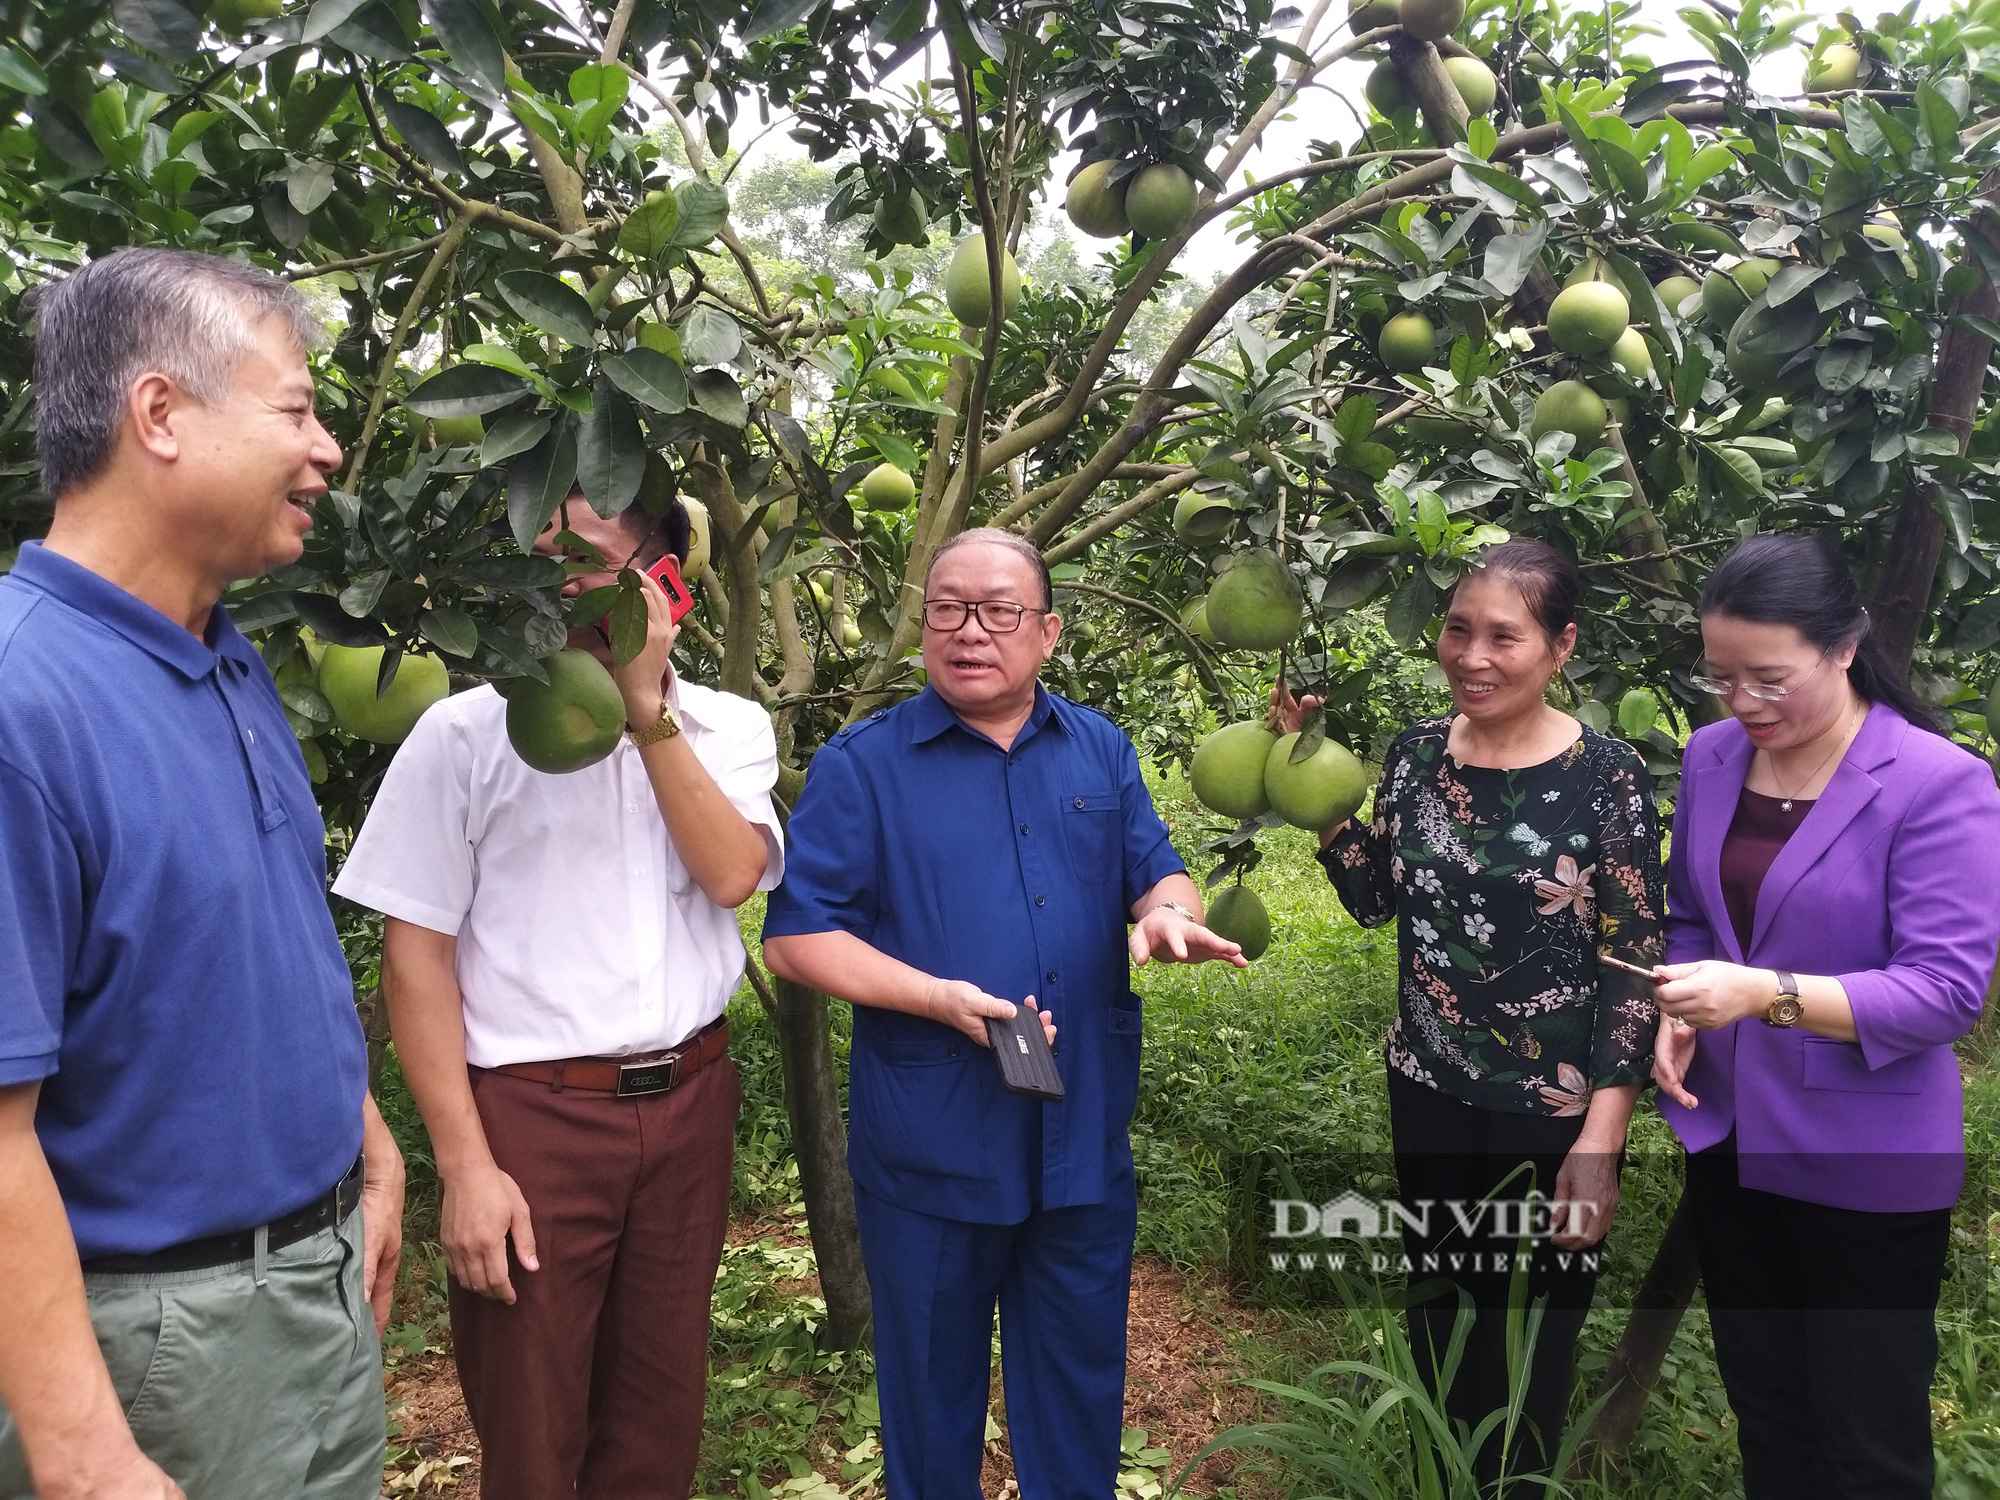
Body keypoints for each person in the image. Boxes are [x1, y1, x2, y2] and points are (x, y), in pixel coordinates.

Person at [0, 248, 404, 1500]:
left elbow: (239, 960)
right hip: (154, 1339)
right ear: (160, 414)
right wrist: (82, 1454)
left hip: (318, 1291)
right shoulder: (24, 697)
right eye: (295, 407)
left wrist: (367, 1149)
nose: (328, 447)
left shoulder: (222, 661)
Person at [761, 527, 1246, 1499]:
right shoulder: (864, 765)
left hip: (1078, 1135)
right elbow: (795, 938)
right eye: (947, 607)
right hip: (934, 1144)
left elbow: (1156, 871)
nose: (968, 630)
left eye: (997, 611)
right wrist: (935, 999)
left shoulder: (1097, 749)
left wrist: (1169, 916)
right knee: (930, 1402)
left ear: (1046, 632)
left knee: (1076, 1388)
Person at [331, 492, 782, 1499]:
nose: (552, 578)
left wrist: (644, 711)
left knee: (656, 1424)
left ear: (664, 583)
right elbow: (417, 959)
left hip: (689, 1108)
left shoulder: (728, 729)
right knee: (533, 1438)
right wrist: (466, 1165)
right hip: (534, 1125)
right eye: (538, 555)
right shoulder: (464, 736)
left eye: (583, 558)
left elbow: (728, 876)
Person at [1282, 538, 1663, 1482]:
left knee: (1532, 1321)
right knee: (1446, 1299)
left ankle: (1513, 1479)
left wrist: (1604, 1132)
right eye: (1458, 629)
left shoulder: (1607, 774)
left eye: (1505, 636)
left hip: (1556, 1100)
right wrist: (1317, 787)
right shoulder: (1415, 754)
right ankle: (1440, 1468)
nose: (1472, 656)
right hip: (1430, 1077)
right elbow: (1377, 901)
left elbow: (1634, 953)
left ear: (1561, 647)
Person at [1648, 534, 2000, 1500]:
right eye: (1721, 677)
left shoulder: (1936, 783)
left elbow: (1944, 991)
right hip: (1732, 1138)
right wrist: (1683, 1002)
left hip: (1868, 1158)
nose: (1743, 704)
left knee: (1865, 1442)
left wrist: (1762, 995)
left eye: (1770, 679)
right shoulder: (1715, 757)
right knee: (1768, 1414)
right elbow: (1691, 914)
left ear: (1845, 648)